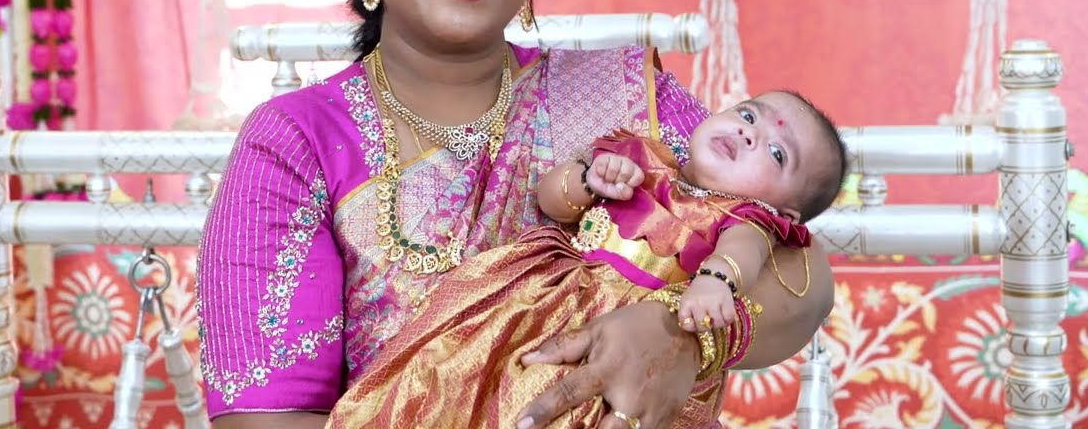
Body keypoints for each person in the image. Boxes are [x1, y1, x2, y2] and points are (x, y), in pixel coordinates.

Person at [196, 0, 836, 429]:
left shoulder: (624, 98)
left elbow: (799, 273)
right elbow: (266, 420)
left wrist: (680, 337)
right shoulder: (296, 140)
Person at [324, 91, 846, 428]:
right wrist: (587, 180)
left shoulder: (748, 221)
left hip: (636, 330)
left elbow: (742, 258)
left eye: (777, 153)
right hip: (539, 300)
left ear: (786, 210)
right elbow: (553, 202)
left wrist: (712, 285)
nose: (750, 133)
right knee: (465, 375)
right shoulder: (642, 153)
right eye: (749, 115)